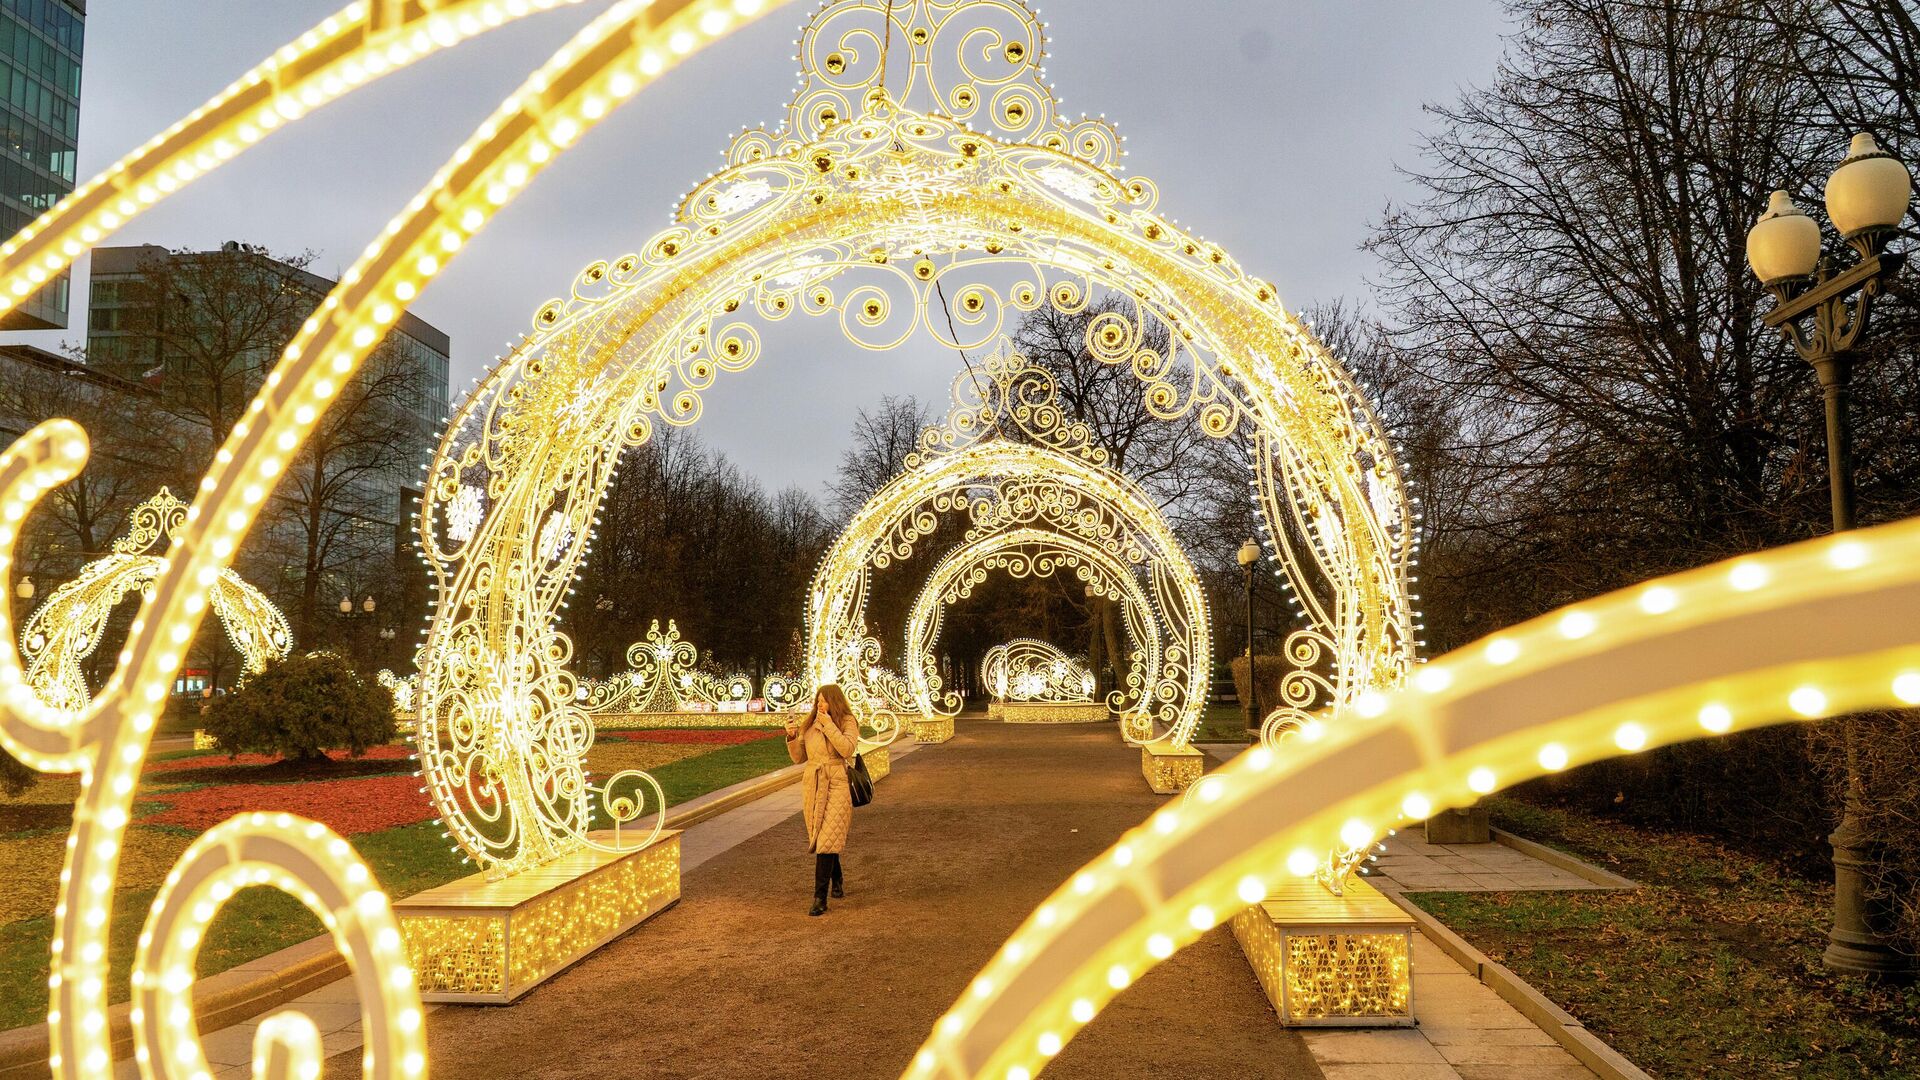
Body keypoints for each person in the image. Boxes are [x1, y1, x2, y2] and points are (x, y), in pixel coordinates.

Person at [785, 683, 861, 916]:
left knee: (827, 837)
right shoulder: (809, 724)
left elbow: (847, 749)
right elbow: (799, 758)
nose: (820, 705)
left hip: (837, 782)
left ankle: (820, 897)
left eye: (824, 701)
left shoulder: (847, 721)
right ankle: (836, 878)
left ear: (834, 701)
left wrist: (828, 725)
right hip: (814, 783)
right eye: (818, 701)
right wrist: (791, 736)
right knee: (824, 837)